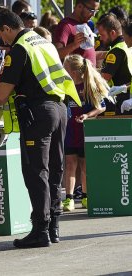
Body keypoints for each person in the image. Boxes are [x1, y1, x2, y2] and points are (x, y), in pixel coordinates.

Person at [0, 9, 80, 248]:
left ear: (7, 29)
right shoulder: (44, 41)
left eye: (1, 35)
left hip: (38, 112)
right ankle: (53, 228)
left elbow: (1, 95)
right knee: (54, 168)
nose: (3, 41)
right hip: (60, 108)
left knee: (35, 170)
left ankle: (40, 228)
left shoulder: (20, 48)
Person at [62, 54, 109, 212]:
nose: (63, 70)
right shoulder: (65, 85)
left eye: (65, 68)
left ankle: (85, 197)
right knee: (69, 164)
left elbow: (102, 106)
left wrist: (88, 115)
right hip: (69, 131)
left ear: (73, 71)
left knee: (84, 165)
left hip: (85, 131)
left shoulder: (89, 85)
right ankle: (68, 199)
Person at [97, 13, 132, 116]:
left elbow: (104, 78)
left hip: (120, 101)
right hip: (127, 97)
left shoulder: (116, 50)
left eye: (102, 35)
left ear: (112, 33)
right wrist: (125, 87)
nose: (101, 39)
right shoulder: (126, 47)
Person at [53, 0, 100, 66]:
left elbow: (87, 53)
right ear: (79, 6)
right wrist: (74, 45)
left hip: (90, 74)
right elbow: (56, 54)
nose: (93, 14)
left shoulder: (89, 24)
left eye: (96, 11)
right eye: (91, 10)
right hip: (75, 75)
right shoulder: (65, 25)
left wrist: (105, 54)